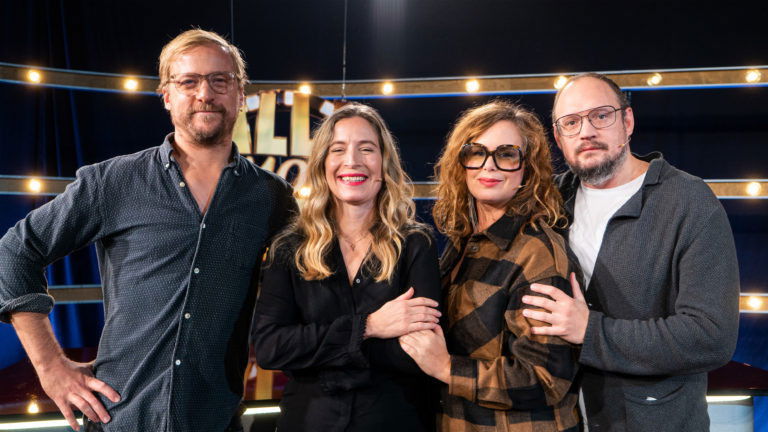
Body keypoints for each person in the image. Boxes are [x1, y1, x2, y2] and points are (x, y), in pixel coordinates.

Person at [0, 29, 296, 432]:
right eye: (188, 81)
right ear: (166, 95)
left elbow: (310, 284)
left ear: (240, 94)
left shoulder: (272, 196)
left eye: (220, 80)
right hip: (118, 419)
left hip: (214, 421)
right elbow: (15, 251)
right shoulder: (113, 181)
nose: (205, 94)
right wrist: (50, 366)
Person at [521, 73, 740, 431]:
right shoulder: (547, 201)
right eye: (571, 122)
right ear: (558, 138)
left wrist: (590, 331)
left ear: (627, 121)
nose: (586, 131)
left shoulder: (688, 201)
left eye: (600, 115)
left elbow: (710, 337)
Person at [252, 103, 442, 432]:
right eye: (338, 149)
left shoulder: (415, 243)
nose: (352, 161)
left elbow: (420, 351)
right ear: (323, 163)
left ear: (384, 162)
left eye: (366, 149)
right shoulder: (289, 247)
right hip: (309, 422)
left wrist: (315, 351)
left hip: (394, 421)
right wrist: (369, 326)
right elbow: (271, 347)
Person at [399, 101, 581, 431]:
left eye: (507, 154)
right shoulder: (464, 241)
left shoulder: (537, 251)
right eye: (476, 152)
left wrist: (445, 367)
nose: (489, 166)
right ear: (461, 163)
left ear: (528, 168)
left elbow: (545, 379)